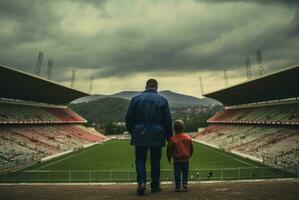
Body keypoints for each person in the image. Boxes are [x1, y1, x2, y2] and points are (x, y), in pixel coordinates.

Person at [125, 79, 172, 196]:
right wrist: (169, 136)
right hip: (157, 133)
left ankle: (141, 183)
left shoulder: (136, 99)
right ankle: (155, 186)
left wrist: (134, 131)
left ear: (146, 86)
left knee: (140, 160)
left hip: (139, 133)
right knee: (155, 161)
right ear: (157, 87)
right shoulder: (163, 100)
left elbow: (128, 119)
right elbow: (168, 121)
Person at [167, 120, 193, 192]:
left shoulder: (172, 139)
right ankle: (185, 185)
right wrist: (189, 155)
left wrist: (169, 158)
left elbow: (168, 149)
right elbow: (191, 148)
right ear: (183, 128)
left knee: (177, 173)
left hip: (177, 159)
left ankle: (178, 186)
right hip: (186, 159)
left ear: (174, 129)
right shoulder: (188, 137)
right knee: (185, 172)